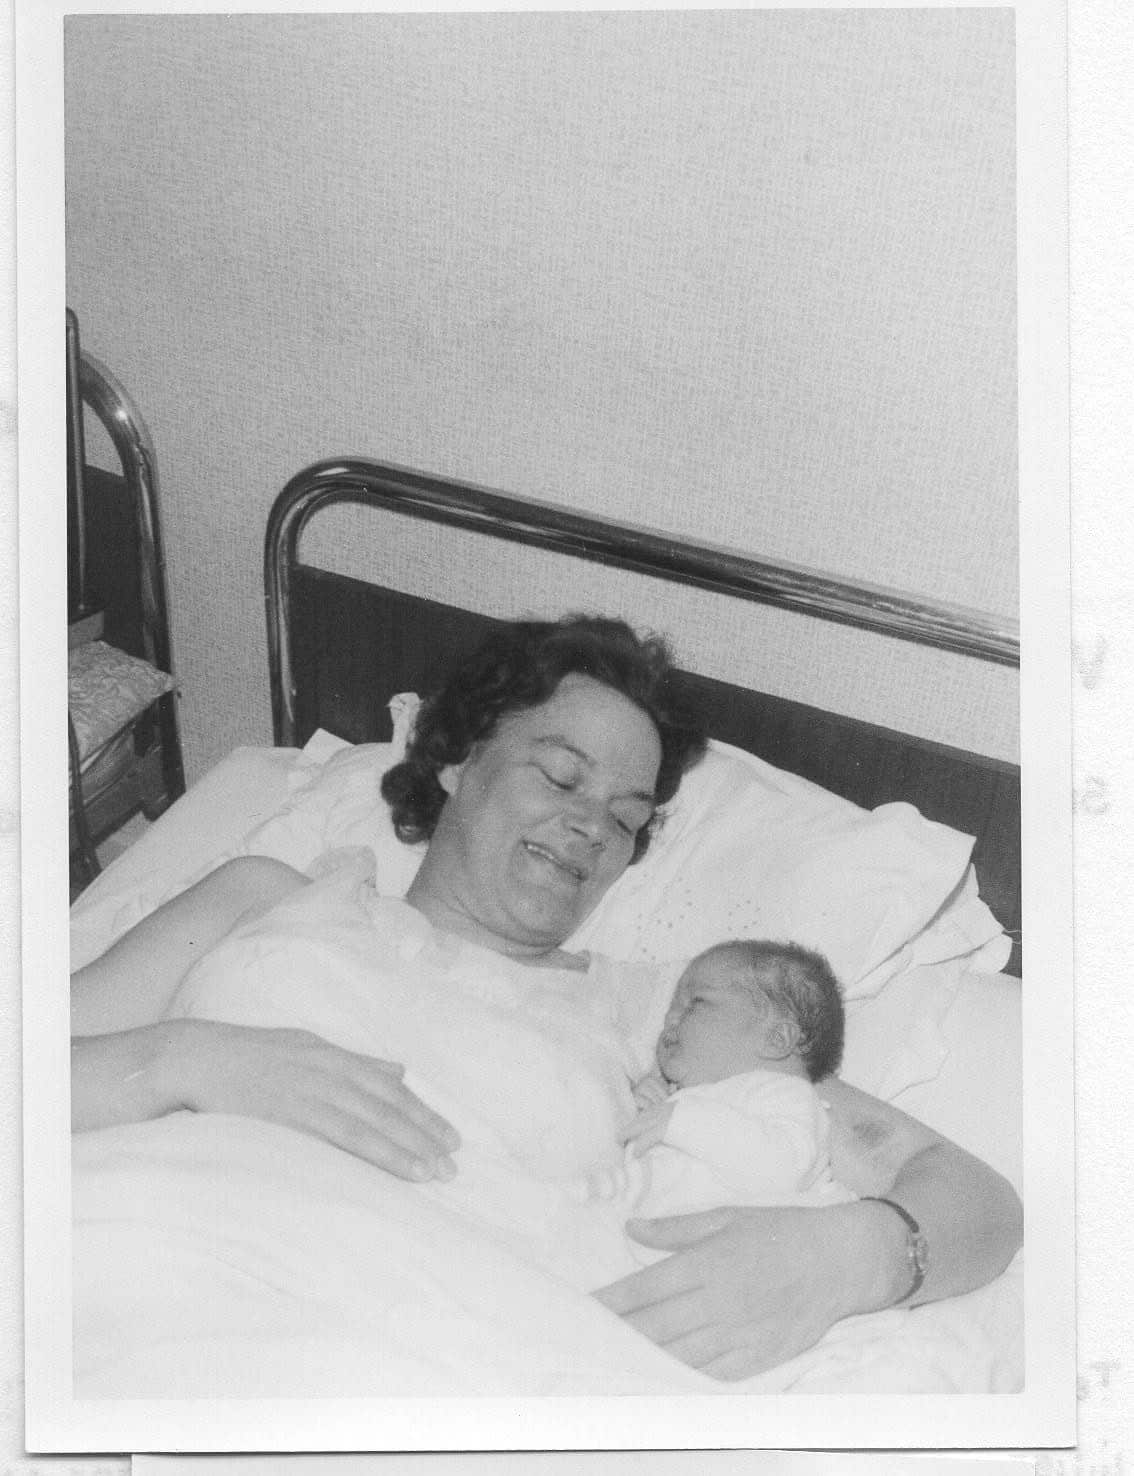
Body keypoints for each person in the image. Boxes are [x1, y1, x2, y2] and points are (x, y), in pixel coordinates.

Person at [71, 615, 1023, 1384]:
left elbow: (972, 1198)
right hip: (115, 1256)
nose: (589, 827)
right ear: (457, 760)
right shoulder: (271, 896)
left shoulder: (667, 1017)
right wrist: (188, 1059)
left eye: (625, 818)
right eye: (562, 776)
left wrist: (845, 1258)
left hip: (399, 1350)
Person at [616, 939, 852, 1220]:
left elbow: (782, 1172)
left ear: (776, 1039)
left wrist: (680, 1120)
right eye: (671, 1009)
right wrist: (646, 1106)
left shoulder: (786, 1095)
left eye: (695, 1003)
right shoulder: (685, 1098)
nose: (669, 1019)